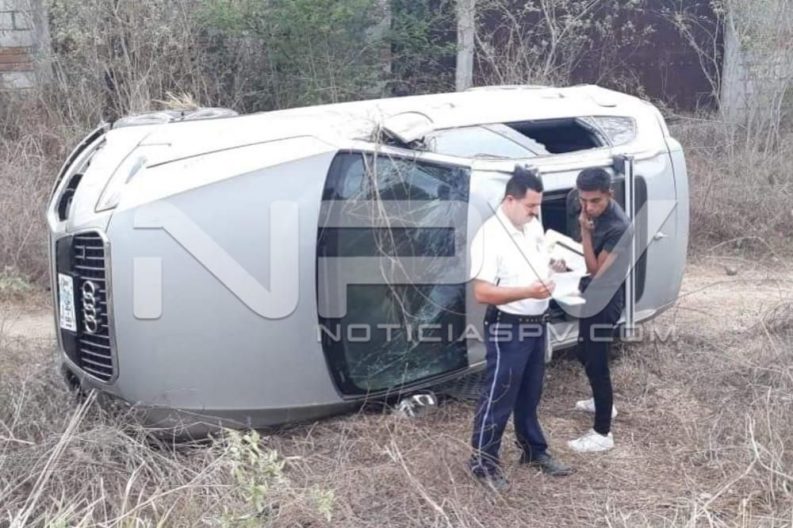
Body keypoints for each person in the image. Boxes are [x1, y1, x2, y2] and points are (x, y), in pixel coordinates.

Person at [468, 165, 574, 491]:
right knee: (499, 395)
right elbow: (482, 292)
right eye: (530, 206)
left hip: (536, 323)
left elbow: (539, 259)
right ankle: (482, 462)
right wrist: (528, 292)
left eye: (537, 205)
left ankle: (533, 451)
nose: (535, 211)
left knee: (530, 392)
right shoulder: (490, 236)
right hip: (508, 326)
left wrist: (559, 266)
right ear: (510, 200)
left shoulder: (532, 225)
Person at [567, 168, 633, 453]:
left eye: (595, 201)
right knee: (583, 351)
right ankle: (601, 399)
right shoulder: (586, 204)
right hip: (591, 296)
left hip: (605, 300)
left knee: (596, 362)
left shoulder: (619, 227)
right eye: (584, 200)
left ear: (610, 194)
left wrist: (584, 229)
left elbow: (595, 270)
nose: (589, 207)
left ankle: (602, 432)